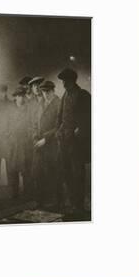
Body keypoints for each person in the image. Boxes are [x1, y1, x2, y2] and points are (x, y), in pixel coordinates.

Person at [56, 68, 91, 218]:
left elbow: (89, 118)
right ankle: (70, 203)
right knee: (66, 172)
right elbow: (61, 115)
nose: (63, 84)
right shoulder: (65, 95)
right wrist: (58, 130)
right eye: (63, 81)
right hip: (64, 140)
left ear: (72, 81)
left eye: (65, 81)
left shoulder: (83, 95)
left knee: (78, 174)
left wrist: (80, 130)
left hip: (77, 143)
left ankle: (79, 206)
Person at [32, 80, 61, 209]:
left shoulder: (58, 104)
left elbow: (59, 126)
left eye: (48, 92)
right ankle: (40, 201)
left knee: (53, 174)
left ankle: (56, 202)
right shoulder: (40, 104)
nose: (45, 95)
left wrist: (45, 139)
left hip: (52, 144)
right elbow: (34, 123)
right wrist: (34, 136)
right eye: (43, 92)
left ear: (53, 91)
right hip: (39, 144)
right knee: (39, 173)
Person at [7, 86, 31, 199]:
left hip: (24, 142)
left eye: (23, 96)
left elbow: (31, 124)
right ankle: (14, 192)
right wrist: (9, 135)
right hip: (13, 142)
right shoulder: (10, 109)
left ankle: (27, 192)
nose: (21, 98)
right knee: (13, 168)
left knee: (25, 168)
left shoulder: (28, 109)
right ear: (15, 97)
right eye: (19, 96)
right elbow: (6, 124)